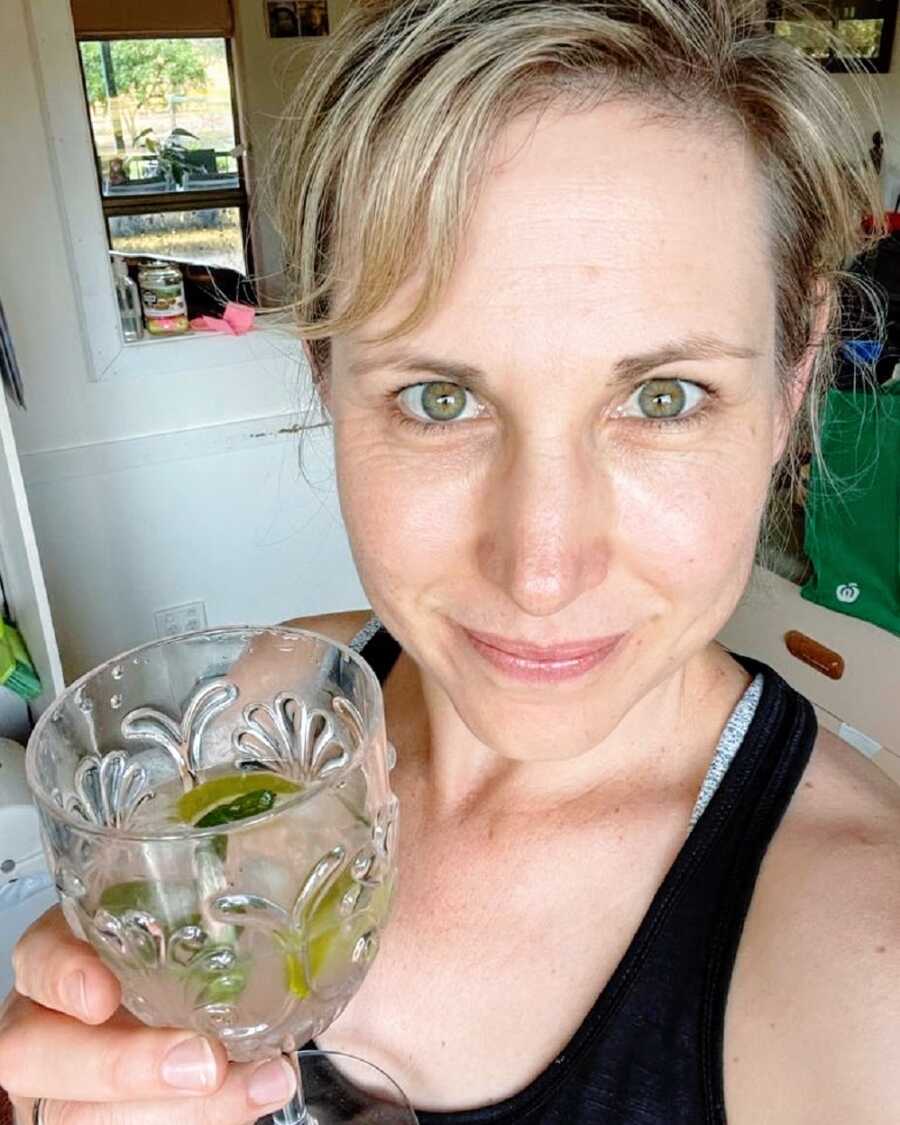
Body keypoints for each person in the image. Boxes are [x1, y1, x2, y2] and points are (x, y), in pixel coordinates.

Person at [2, 1, 899, 1122]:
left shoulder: (869, 987)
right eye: (442, 399)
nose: (540, 568)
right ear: (327, 378)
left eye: (663, 399)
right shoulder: (277, 709)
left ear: (796, 380)